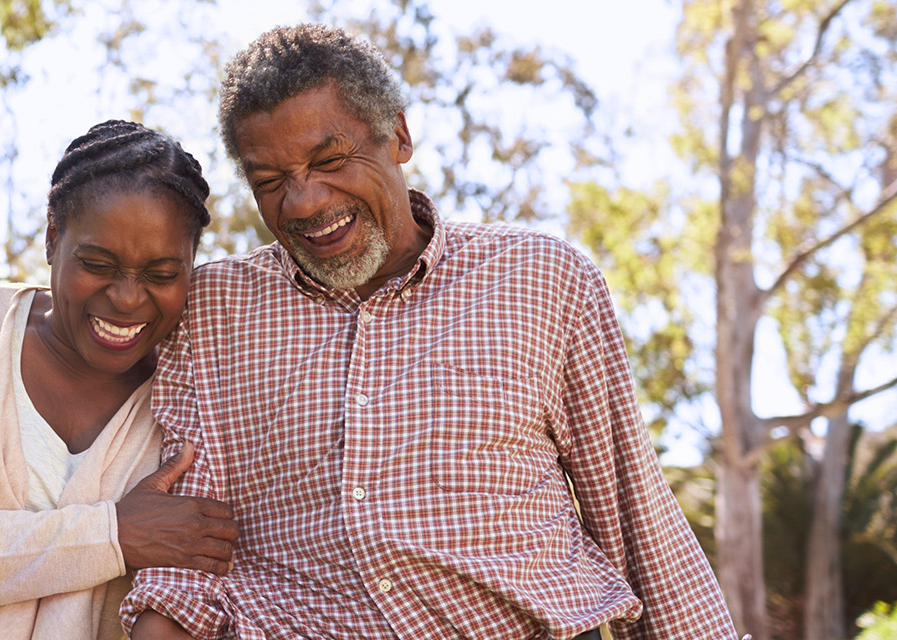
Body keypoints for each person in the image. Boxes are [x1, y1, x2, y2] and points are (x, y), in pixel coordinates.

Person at [122, 25, 740, 640]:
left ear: (398, 135)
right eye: (270, 182)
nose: (303, 201)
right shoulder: (214, 310)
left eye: (330, 160)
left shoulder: (542, 278)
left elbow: (634, 511)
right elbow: (185, 556)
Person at [0, 120, 238, 638]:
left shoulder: (191, 395)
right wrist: (112, 534)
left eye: (162, 275)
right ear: (53, 238)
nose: (127, 298)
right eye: (98, 263)